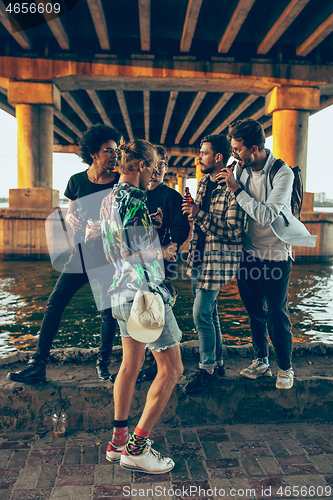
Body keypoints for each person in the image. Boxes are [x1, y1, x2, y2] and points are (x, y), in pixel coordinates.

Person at [8, 124, 121, 384]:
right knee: (55, 303)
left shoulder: (118, 183)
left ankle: (102, 366)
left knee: (108, 313)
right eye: (109, 150)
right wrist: (73, 220)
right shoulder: (76, 181)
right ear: (94, 153)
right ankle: (38, 364)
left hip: (107, 257)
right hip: (81, 255)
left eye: (115, 150)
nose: (114, 155)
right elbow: (71, 214)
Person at [100, 138, 183, 474]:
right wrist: (162, 252)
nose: (154, 174)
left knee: (129, 366)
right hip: (143, 295)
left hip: (117, 291)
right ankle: (136, 448)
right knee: (172, 369)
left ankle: (117, 442)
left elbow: (110, 253)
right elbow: (135, 251)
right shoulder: (136, 198)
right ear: (142, 165)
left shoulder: (107, 199)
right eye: (153, 167)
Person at [217, 118, 300, 389]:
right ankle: (261, 361)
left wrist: (237, 190)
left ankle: (286, 368)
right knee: (255, 313)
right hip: (248, 253)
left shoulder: (282, 172)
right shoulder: (240, 169)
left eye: (238, 150)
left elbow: (265, 216)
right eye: (232, 149)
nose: (235, 155)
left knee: (277, 313)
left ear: (254, 148)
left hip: (276, 254)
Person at [182, 134, 244, 396]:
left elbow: (234, 231)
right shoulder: (204, 182)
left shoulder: (231, 185)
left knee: (200, 314)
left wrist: (199, 214)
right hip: (200, 255)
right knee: (211, 313)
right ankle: (218, 365)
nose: (199, 157)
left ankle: (206, 369)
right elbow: (200, 221)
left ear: (218, 157)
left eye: (203, 153)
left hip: (218, 259)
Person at [147, 145, 190, 279]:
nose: (156, 169)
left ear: (166, 168)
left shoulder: (173, 196)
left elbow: (182, 228)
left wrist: (165, 245)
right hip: (139, 258)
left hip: (163, 261)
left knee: (160, 299)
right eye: (153, 164)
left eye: (161, 164)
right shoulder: (137, 194)